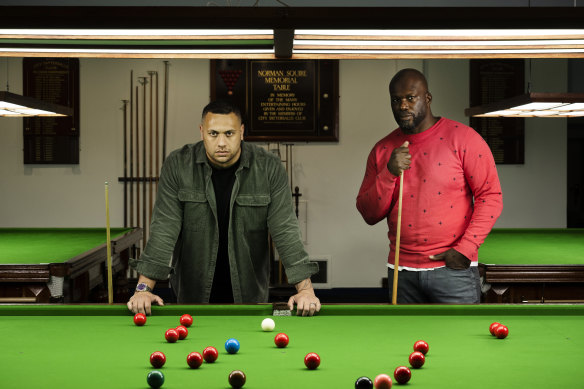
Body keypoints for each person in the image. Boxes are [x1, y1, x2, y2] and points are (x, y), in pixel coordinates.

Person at [127, 100, 320, 315]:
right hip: (191, 295)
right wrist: (143, 289)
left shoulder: (268, 167)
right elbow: (164, 228)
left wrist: (306, 290)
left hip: (249, 295)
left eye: (229, 133)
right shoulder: (178, 164)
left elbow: (285, 229)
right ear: (202, 132)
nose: (221, 142)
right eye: (213, 134)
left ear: (242, 132)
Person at [356, 68, 503, 303]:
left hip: (454, 272)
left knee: (460, 340)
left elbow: (491, 196)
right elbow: (369, 213)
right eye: (396, 100)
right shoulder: (383, 149)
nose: (403, 105)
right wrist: (389, 173)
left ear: (427, 98)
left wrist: (466, 248)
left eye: (410, 98)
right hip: (401, 272)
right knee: (406, 340)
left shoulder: (464, 138)